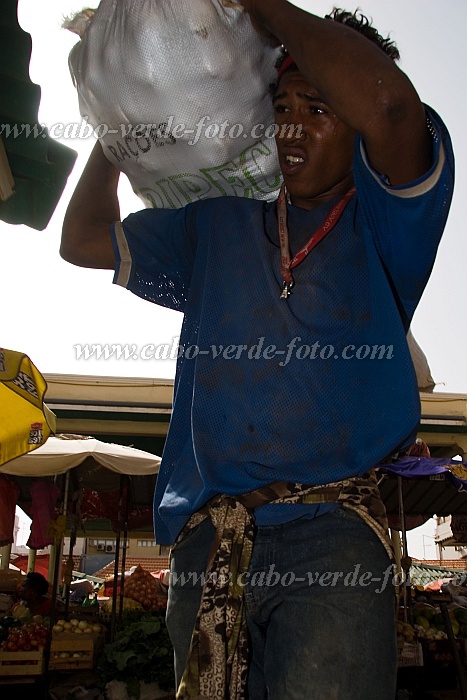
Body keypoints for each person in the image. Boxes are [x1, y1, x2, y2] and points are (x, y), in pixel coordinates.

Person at [60, 2, 454, 698]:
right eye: (282, 105)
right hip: (209, 537)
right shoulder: (215, 227)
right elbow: (83, 241)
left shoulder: (385, 222)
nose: (292, 127)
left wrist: (265, 9)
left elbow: (391, 108)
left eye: (320, 107)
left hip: (329, 531)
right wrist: (118, 133)